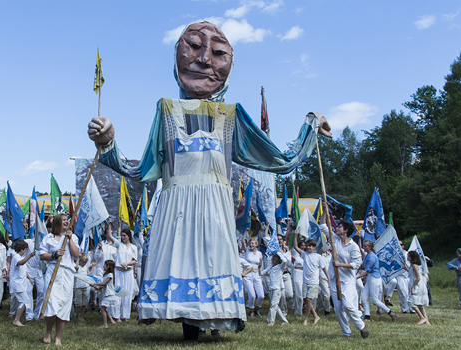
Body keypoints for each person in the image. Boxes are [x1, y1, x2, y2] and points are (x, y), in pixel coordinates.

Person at [86, 20, 330, 339]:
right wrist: (107, 142)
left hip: (215, 208)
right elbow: (144, 168)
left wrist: (310, 127)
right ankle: (190, 325)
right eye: (194, 46)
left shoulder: (230, 115)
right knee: (185, 264)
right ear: (178, 55)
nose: (204, 59)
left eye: (217, 52)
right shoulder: (167, 109)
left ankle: (214, 323)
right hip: (178, 207)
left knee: (212, 264)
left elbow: (277, 160)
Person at [39, 213, 80, 345]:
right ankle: (48, 332)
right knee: (51, 303)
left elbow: (75, 254)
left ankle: (58, 337)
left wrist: (69, 239)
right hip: (53, 273)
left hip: (67, 274)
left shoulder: (72, 237)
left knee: (63, 304)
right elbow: (42, 255)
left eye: (67, 220)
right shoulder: (48, 238)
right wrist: (54, 255)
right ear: (57, 222)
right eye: (63, 220)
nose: (66, 222)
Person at [329, 222, 368, 338]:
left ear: (346, 230)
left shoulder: (353, 246)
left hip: (347, 280)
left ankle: (361, 326)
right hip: (334, 279)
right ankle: (346, 332)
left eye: (340, 227)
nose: (337, 228)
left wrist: (340, 264)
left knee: (348, 306)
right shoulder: (334, 239)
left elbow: (357, 264)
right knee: (338, 308)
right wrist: (325, 210)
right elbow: (323, 227)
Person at [357, 240, 396, 321]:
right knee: (364, 298)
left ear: (370, 247)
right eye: (364, 246)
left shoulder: (372, 257)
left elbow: (367, 270)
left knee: (375, 300)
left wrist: (357, 277)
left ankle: (390, 313)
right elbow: (365, 266)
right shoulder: (368, 255)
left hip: (375, 279)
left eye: (365, 246)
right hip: (370, 278)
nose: (364, 247)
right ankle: (367, 317)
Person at [107, 227, 138, 321]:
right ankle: (117, 316)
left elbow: (135, 260)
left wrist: (127, 263)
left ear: (128, 236)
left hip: (128, 273)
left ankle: (125, 316)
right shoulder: (119, 245)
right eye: (122, 235)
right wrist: (109, 224)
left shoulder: (133, 247)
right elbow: (109, 235)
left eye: (124, 236)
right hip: (119, 272)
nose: (123, 237)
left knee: (127, 294)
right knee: (118, 293)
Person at [292, 239, 324, 325]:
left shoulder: (318, 257)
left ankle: (306, 319)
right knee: (306, 300)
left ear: (314, 247)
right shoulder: (304, 254)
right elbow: (295, 247)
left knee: (309, 299)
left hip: (314, 282)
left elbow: (323, 268)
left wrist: (328, 277)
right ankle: (316, 316)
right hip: (305, 281)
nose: (308, 247)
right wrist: (295, 236)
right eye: (307, 246)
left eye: (310, 246)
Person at [10, 240, 35, 327]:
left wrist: (30, 278)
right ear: (21, 249)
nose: (25, 251)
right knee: (25, 301)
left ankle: (17, 318)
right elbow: (21, 263)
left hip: (21, 283)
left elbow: (24, 271)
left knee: (24, 301)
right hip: (17, 284)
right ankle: (16, 319)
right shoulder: (16, 257)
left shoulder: (20, 257)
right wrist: (30, 256)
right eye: (25, 249)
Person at [384, 240, 411, 313]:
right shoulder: (394, 255)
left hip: (409, 275)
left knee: (410, 293)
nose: (400, 246)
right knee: (403, 293)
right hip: (400, 276)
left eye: (401, 245)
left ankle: (412, 308)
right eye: (398, 245)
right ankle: (404, 309)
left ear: (403, 246)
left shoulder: (408, 254)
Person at [91, 260, 119, 328]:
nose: (103, 266)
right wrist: (98, 287)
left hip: (109, 294)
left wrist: (95, 283)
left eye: (104, 265)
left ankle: (105, 324)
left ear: (108, 266)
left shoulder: (110, 275)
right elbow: (103, 285)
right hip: (106, 294)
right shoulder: (106, 274)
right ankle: (111, 321)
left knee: (102, 308)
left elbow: (104, 283)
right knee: (104, 308)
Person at [242, 238, 264, 317]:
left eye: (253, 243)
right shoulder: (247, 251)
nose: (251, 245)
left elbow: (260, 266)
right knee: (252, 295)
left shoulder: (259, 253)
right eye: (250, 243)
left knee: (261, 295)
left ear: (256, 245)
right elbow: (242, 241)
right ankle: (251, 309)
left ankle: (256, 309)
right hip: (248, 274)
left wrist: (261, 276)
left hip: (256, 274)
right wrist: (245, 231)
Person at [265, 253, 289, 325]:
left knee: (273, 305)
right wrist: (259, 268)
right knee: (275, 306)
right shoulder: (271, 267)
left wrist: (278, 252)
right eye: (273, 260)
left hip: (277, 288)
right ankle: (284, 321)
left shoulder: (280, 267)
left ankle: (270, 321)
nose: (274, 262)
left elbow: (284, 261)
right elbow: (263, 272)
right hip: (271, 288)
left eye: (276, 260)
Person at [407, 251, 429, 325]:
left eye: (408, 256)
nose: (407, 257)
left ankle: (422, 318)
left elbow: (418, 277)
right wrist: (405, 268)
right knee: (420, 304)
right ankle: (426, 321)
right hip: (417, 284)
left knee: (411, 302)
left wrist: (413, 287)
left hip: (417, 285)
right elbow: (412, 273)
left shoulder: (414, 265)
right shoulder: (412, 266)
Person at [73, 253, 91, 322]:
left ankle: (82, 316)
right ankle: (78, 315)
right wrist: (78, 258)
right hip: (78, 287)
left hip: (85, 286)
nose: (84, 264)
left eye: (85, 262)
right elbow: (76, 267)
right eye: (83, 262)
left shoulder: (85, 267)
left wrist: (93, 267)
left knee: (85, 302)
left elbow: (89, 274)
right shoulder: (78, 267)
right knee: (78, 303)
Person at [289, 239, 305, 316]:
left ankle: (302, 308)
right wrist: (295, 236)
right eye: (302, 245)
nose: (303, 247)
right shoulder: (295, 253)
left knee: (303, 294)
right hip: (297, 272)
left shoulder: (305, 254)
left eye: (305, 245)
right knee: (298, 294)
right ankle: (298, 311)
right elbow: (294, 245)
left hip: (304, 274)